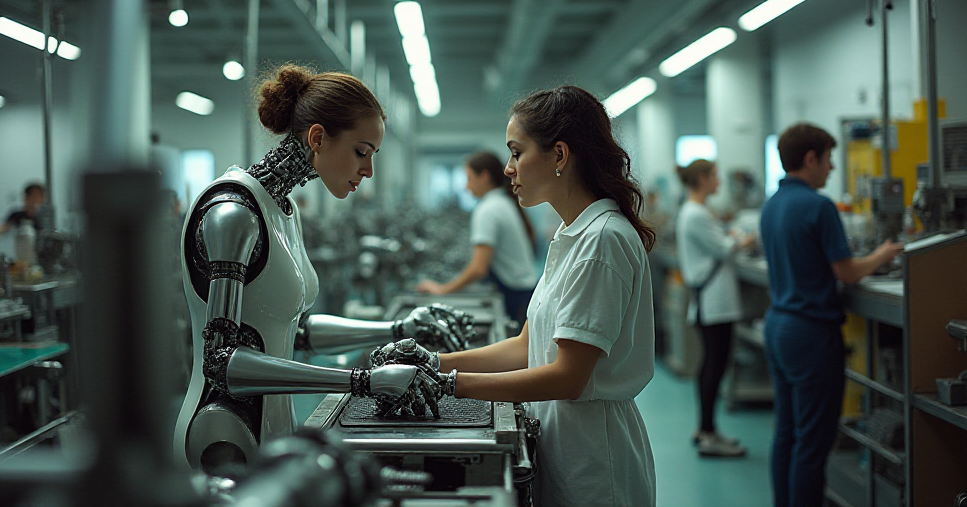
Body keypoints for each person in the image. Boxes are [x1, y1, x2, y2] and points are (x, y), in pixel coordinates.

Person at [174, 64, 471, 473]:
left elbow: (294, 331)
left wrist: (399, 329)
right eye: (361, 152)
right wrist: (363, 381)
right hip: (226, 433)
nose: (368, 171)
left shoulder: (283, 209)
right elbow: (221, 362)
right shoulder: (234, 212)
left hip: (276, 427)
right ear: (317, 137)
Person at [384, 85, 657, 506]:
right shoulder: (570, 234)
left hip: (595, 462)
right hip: (562, 441)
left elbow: (568, 377)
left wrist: (446, 385)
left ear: (560, 156)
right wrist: (433, 361)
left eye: (517, 152)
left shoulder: (602, 241)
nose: (508, 169)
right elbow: (526, 346)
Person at [760, 123, 903, 507]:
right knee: (813, 442)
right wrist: (885, 254)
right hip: (810, 333)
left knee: (788, 433)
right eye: (829, 159)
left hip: (779, 328)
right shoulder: (818, 206)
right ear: (811, 159)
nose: (832, 168)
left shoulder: (772, 203)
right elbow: (848, 272)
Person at [676, 159, 753, 458]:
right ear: (703, 179)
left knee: (711, 364)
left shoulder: (694, 211)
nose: (719, 182)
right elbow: (723, 247)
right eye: (715, 176)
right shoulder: (695, 214)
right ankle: (708, 433)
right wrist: (741, 239)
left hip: (712, 302)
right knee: (714, 366)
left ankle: (706, 428)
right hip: (714, 303)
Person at [415, 150, 538, 327]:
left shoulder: (488, 209)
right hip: (525, 290)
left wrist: (442, 289)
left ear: (484, 177)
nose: (466, 186)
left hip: (517, 296)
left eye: (469, 178)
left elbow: (479, 268)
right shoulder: (502, 202)